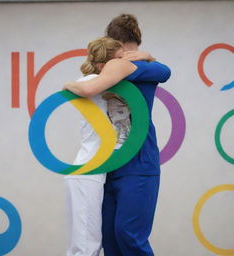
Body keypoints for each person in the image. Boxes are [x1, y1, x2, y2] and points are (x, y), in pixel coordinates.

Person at [64, 14, 171, 256]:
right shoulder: (143, 66)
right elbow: (164, 70)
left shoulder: (128, 67)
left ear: (115, 43)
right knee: (110, 238)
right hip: (109, 165)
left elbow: (165, 71)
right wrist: (149, 56)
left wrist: (67, 86)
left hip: (139, 164)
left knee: (128, 235)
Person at [64, 36, 125, 256]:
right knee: (86, 245)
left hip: (89, 172)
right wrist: (68, 84)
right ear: (102, 65)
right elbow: (83, 87)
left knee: (85, 244)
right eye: (118, 59)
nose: (123, 64)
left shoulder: (103, 84)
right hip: (87, 172)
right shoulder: (91, 81)